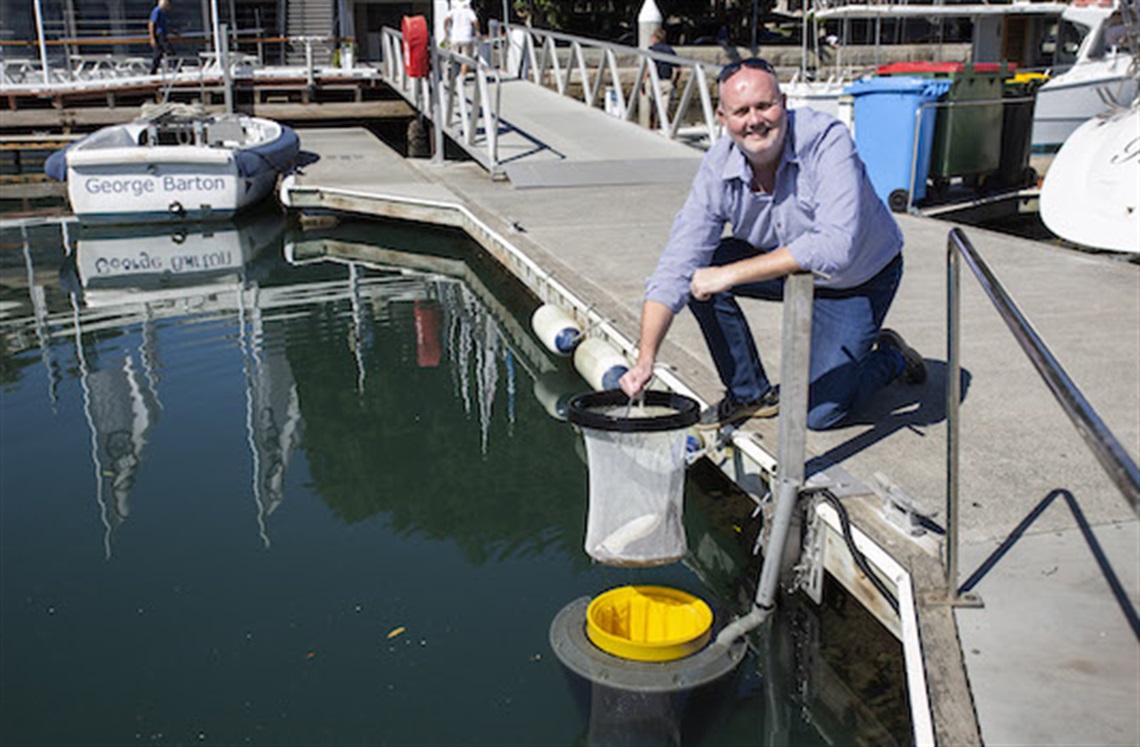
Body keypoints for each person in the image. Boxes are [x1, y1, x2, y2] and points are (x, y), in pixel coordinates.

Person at [619, 58, 926, 432]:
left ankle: (891, 357)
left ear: (783, 101)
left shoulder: (826, 139)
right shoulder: (718, 167)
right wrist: (645, 358)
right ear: (722, 117)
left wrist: (728, 274)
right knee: (697, 274)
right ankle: (749, 394)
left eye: (765, 106)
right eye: (741, 111)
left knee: (818, 415)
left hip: (857, 279)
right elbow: (676, 265)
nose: (755, 120)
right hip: (790, 267)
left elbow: (834, 247)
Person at [646, 28, 678, 129]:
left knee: (653, 107)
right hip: (666, 82)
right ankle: (665, 129)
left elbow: (648, 68)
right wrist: (674, 82)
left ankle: (652, 128)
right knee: (664, 109)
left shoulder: (651, 50)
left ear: (655, 38)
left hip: (654, 81)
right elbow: (678, 69)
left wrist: (643, 81)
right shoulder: (671, 51)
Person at [443, 0, 480, 77]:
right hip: (466, 37)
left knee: (455, 58)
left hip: (455, 38)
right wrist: (477, 31)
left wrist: (446, 30)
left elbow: (446, 19)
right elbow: (475, 21)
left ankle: (455, 76)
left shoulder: (453, 11)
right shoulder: (469, 11)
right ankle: (462, 77)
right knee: (466, 59)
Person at [148, 0, 174, 75]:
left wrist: (173, 32)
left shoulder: (163, 12)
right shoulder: (157, 11)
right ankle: (177, 68)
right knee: (169, 51)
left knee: (158, 54)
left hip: (163, 34)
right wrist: (152, 37)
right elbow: (151, 24)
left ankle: (153, 72)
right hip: (159, 35)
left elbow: (165, 25)